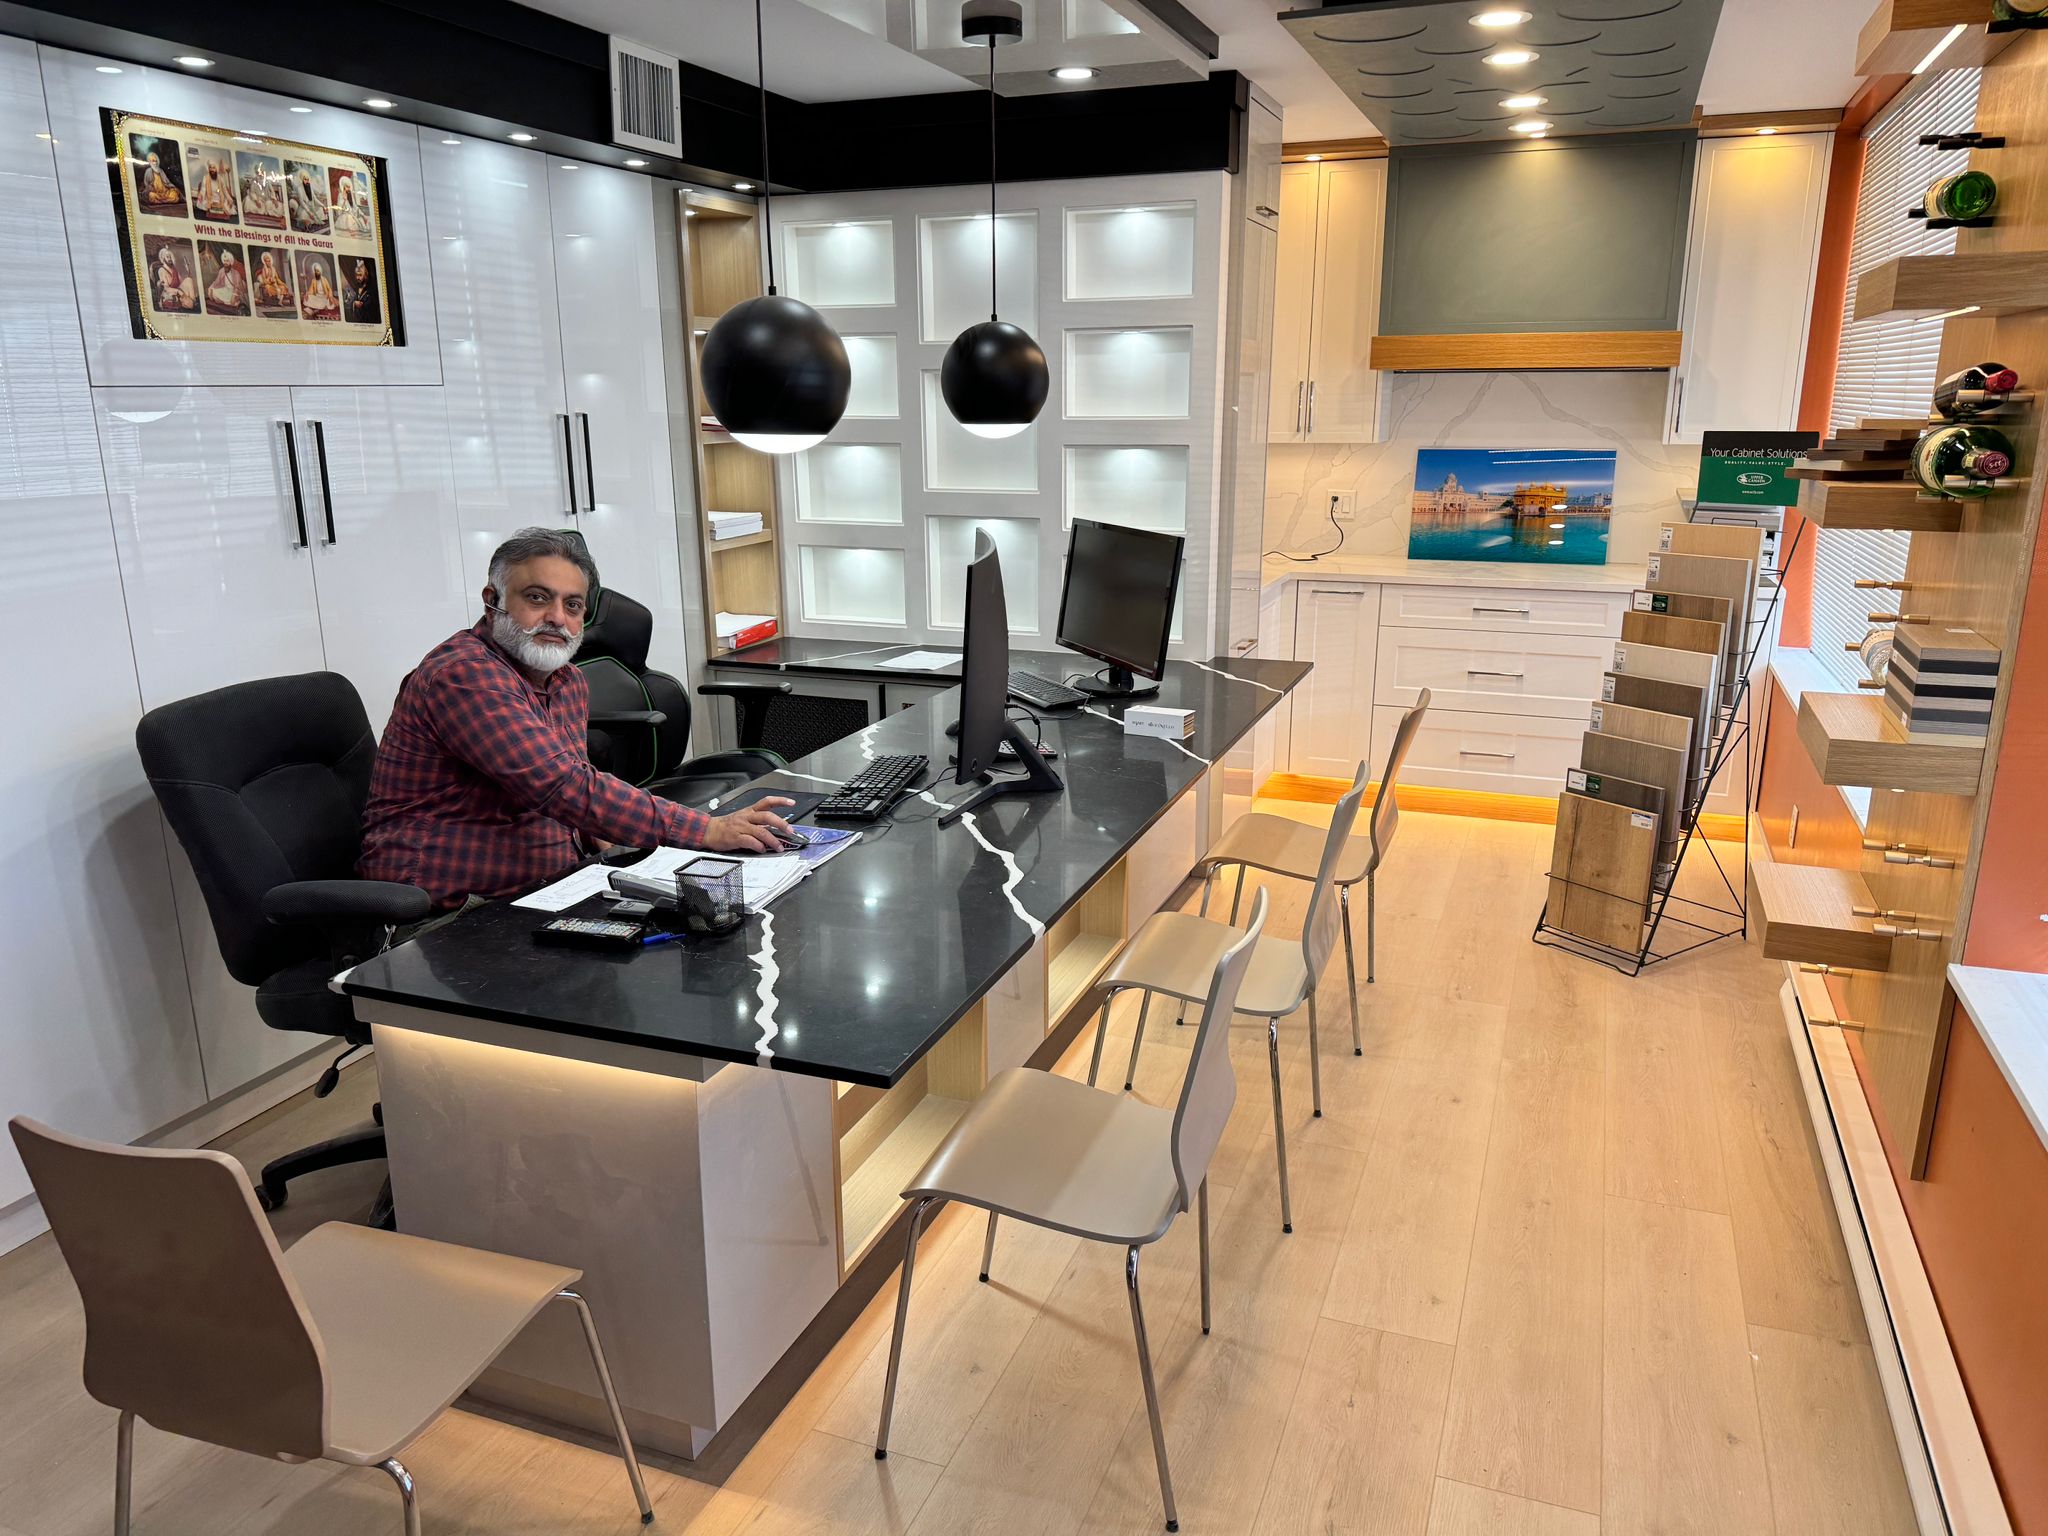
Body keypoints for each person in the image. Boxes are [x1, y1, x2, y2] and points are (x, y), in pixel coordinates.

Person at [359, 528, 795, 912]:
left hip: (551, 888)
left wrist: (617, 848)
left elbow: (573, 794)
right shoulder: (465, 676)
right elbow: (561, 786)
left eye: (572, 605)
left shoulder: (566, 681)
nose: (557, 618)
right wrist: (708, 830)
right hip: (449, 914)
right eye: (537, 598)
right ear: (493, 602)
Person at [152, 245, 195, 311]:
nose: (170, 259)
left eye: (170, 257)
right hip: (171, 293)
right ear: (163, 258)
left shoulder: (174, 269)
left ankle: (193, 301)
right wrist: (178, 291)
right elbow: (166, 288)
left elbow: (182, 282)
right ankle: (191, 303)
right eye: (167, 257)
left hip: (179, 291)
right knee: (191, 305)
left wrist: (188, 271)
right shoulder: (161, 270)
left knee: (189, 280)